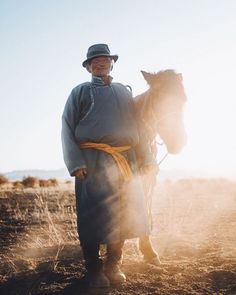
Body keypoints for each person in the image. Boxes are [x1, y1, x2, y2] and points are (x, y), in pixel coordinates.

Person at [61, 43, 157, 288]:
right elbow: (66, 128)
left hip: (126, 161)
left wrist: (146, 159)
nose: (100, 63)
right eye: (95, 61)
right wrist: (75, 163)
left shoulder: (124, 92)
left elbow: (139, 129)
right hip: (92, 162)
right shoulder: (79, 92)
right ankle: (93, 269)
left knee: (123, 215)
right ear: (88, 67)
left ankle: (113, 264)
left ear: (112, 63)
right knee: (93, 215)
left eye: (104, 59)